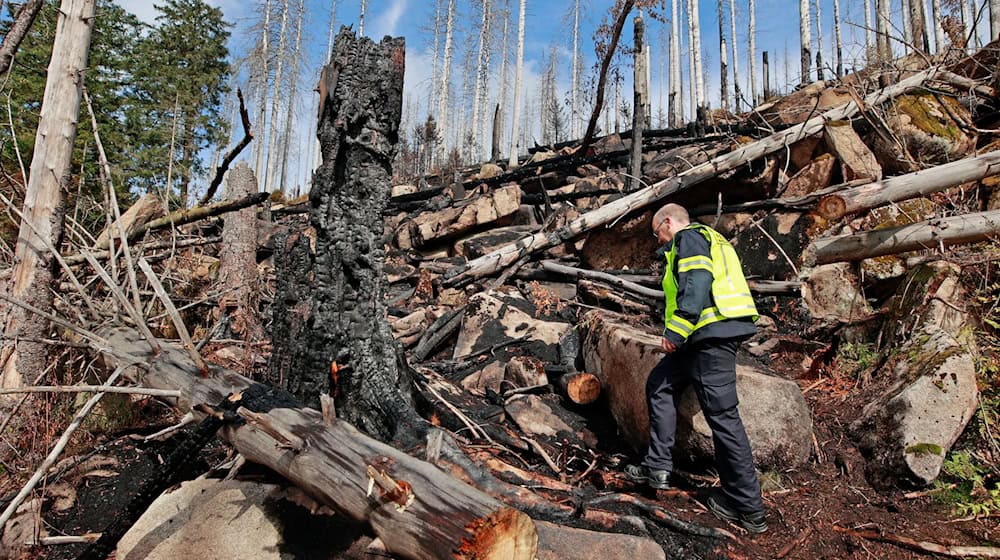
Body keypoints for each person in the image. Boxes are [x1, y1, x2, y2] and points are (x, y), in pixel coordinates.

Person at [624, 203, 768, 534]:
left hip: (710, 337)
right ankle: (657, 467)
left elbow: (698, 282)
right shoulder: (707, 239)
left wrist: (676, 329)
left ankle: (747, 506)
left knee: (724, 420)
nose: (658, 240)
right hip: (699, 339)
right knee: (659, 384)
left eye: (657, 232)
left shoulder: (689, 239)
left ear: (669, 223)